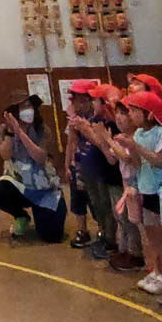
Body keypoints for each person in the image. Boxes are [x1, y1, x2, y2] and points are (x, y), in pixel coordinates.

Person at [0, 90, 66, 242]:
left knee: (52, 236)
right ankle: (21, 216)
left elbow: (40, 157)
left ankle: (44, 212)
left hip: (44, 187)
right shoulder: (4, 130)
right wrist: (12, 132)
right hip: (19, 184)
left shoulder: (42, 129)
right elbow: (5, 154)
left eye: (29, 106)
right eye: (23, 107)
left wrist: (22, 133)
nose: (28, 110)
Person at [121, 90, 162, 304]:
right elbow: (136, 163)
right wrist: (126, 146)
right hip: (147, 193)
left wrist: (136, 147)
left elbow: (159, 160)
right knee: (156, 243)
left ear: (149, 113)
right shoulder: (139, 135)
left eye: (134, 110)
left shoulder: (161, 134)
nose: (131, 114)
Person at [85, 90, 145, 272]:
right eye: (117, 113)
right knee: (122, 219)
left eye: (123, 113)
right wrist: (104, 139)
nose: (119, 117)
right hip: (126, 185)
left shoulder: (137, 136)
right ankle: (125, 250)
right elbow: (112, 157)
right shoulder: (123, 137)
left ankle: (136, 255)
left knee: (132, 222)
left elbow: (126, 158)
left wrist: (107, 139)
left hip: (135, 186)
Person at [65, 79, 118, 258]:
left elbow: (102, 145)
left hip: (100, 170)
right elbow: (72, 143)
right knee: (94, 202)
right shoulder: (82, 120)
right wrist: (69, 165)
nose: (76, 104)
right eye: (74, 100)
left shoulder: (102, 121)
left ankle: (110, 239)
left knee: (105, 206)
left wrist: (86, 129)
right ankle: (102, 234)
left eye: (82, 99)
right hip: (85, 168)